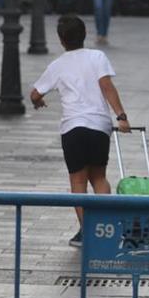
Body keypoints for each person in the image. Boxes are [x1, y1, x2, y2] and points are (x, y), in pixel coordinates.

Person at [30, 15, 130, 247]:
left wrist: (38, 102)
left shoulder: (57, 65)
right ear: (84, 34)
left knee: (78, 182)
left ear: (61, 40)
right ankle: (107, 228)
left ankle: (88, 232)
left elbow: (35, 93)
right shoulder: (98, 57)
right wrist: (121, 117)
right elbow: (107, 87)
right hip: (99, 126)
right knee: (99, 177)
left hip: (73, 127)